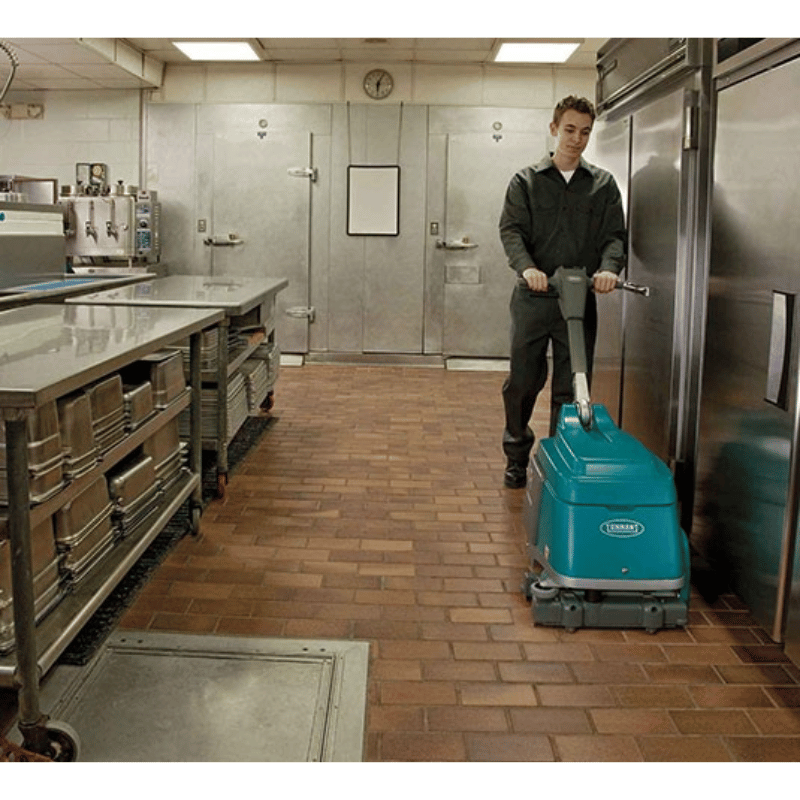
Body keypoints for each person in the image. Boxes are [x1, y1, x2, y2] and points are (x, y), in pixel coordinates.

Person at [499, 95, 626, 488]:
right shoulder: (526, 181)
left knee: (573, 386)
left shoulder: (602, 185)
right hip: (535, 298)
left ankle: (558, 457)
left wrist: (608, 269)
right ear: (554, 129)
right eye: (569, 130)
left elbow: (614, 237)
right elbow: (512, 231)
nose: (577, 139)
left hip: (578, 301)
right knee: (523, 380)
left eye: (585, 132)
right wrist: (527, 268)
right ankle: (517, 455)